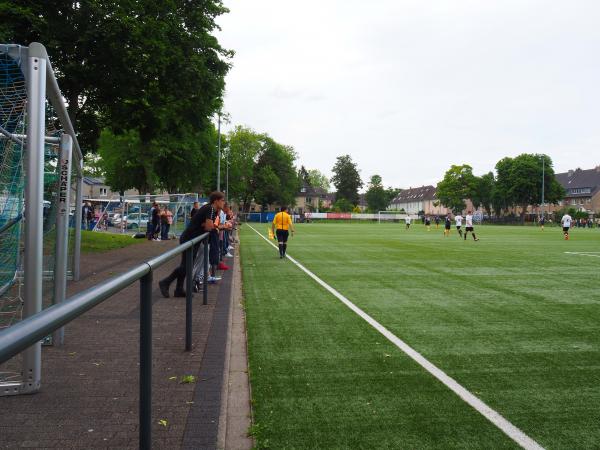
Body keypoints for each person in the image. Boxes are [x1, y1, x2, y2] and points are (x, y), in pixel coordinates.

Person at [159, 191, 224, 297]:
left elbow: (206, 224)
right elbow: (208, 227)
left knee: (186, 265)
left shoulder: (211, 209)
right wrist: (219, 227)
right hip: (189, 238)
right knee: (186, 265)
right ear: (216, 201)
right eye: (222, 200)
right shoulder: (210, 208)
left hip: (193, 238)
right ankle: (165, 282)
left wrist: (211, 226)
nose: (223, 202)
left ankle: (178, 289)